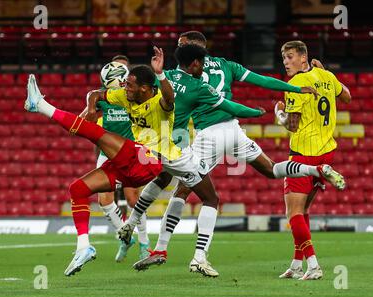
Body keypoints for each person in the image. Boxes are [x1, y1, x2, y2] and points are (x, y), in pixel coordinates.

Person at [127, 44, 345, 277]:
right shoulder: (225, 65)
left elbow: (152, 94)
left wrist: (153, 78)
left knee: (186, 191)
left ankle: (170, 250)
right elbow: (259, 82)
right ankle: (315, 170)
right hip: (233, 131)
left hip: (205, 136)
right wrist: (261, 108)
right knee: (271, 169)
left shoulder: (175, 78)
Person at [24, 47, 181, 276]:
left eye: (130, 84)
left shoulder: (159, 101)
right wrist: (90, 107)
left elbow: (170, 97)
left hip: (146, 159)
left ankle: (40, 105)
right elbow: (96, 94)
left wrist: (160, 74)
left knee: (94, 133)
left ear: (145, 88)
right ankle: (83, 246)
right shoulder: (123, 96)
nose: (125, 87)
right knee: (77, 189)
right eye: (124, 83)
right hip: (126, 163)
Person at [275, 41, 350, 280]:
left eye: (289, 57)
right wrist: (327, 73)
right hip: (326, 150)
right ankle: (297, 264)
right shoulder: (325, 74)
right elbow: (347, 97)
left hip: (303, 155)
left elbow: (293, 125)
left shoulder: (295, 84)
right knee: (304, 209)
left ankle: (314, 265)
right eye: (283, 58)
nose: (285, 62)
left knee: (293, 214)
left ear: (303, 57)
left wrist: (279, 115)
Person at [92, 55, 150, 262]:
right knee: (104, 200)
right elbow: (86, 120)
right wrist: (90, 105)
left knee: (134, 200)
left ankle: (144, 244)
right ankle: (125, 237)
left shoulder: (134, 96)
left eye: (124, 69)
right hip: (107, 153)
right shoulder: (103, 98)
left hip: (131, 151)